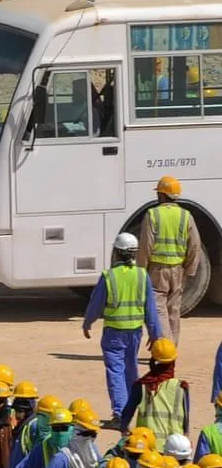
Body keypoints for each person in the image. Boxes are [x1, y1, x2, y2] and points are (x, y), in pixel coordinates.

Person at [83, 232, 162, 425]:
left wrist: (88, 322)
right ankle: (133, 408)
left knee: (115, 371)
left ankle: (120, 414)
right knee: (131, 368)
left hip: (114, 333)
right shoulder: (142, 275)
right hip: (135, 332)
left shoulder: (109, 276)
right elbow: (151, 308)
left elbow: (96, 304)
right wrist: (155, 334)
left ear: (117, 252)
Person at [136, 175, 201, 343]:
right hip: (178, 270)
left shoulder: (153, 214)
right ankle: (172, 348)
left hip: (157, 271)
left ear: (162, 195)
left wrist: (141, 270)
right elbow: (195, 245)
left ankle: (166, 348)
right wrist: (189, 270)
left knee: (158, 310)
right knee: (173, 311)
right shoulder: (186, 216)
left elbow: (145, 245)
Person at [120, 338, 189, 449]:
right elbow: (186, 419)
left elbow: (127, 414)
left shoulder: (142, 385)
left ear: (153, 360)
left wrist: (125, 431)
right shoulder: (181, 387)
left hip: (147, 446)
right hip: (175, 448)